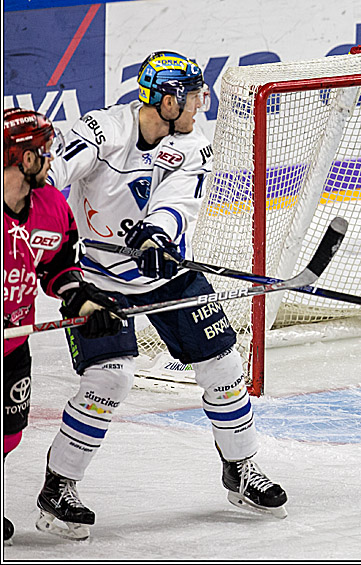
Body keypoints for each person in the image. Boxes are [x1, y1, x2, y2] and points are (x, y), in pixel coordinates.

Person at [38, 51, 288, 540]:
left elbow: (180, 200)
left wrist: (156, 235)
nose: (201, 103)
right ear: (168, 100)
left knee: (223, 366)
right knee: (109, 381)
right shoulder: (103, 131)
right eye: (193, 95)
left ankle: (241, 469)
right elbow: (49, 179)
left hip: (167, 273)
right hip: (99, 278)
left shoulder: (193, 142)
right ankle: (58, 486)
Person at [3, 109, 123, 545]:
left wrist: (82, 299)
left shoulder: (51, 205)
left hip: (11, 342)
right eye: (44, 154)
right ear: (24, 159)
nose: (52, 161)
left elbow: (58, 267)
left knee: (10, 432)